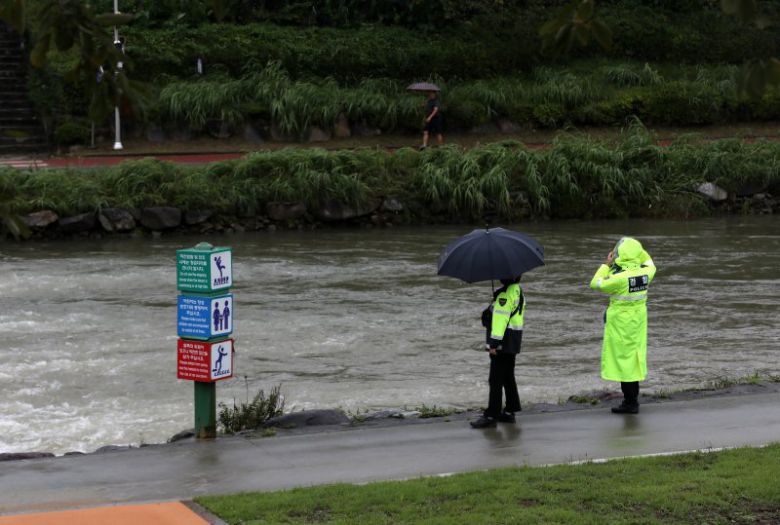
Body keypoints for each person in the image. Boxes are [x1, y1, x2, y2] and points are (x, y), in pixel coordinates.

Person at [589, 237, 656, 414]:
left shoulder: (618, 278)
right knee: (633, 360)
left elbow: (595, 283)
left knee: (624, 363)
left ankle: (630, 402)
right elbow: (648, 261)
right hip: (638, 324)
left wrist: (607, 264)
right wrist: (637, 250)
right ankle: (632, 400)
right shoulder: (646, 273)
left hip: (620, 325)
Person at [471, 275, 525, 429]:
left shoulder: (504, 296)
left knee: (495, 380)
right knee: (508, 377)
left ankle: (491, 415)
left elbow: (500, 322)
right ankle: (510, 411)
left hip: (502, 343)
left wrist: (493, 345)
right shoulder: (517, 291)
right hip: (513, 342)